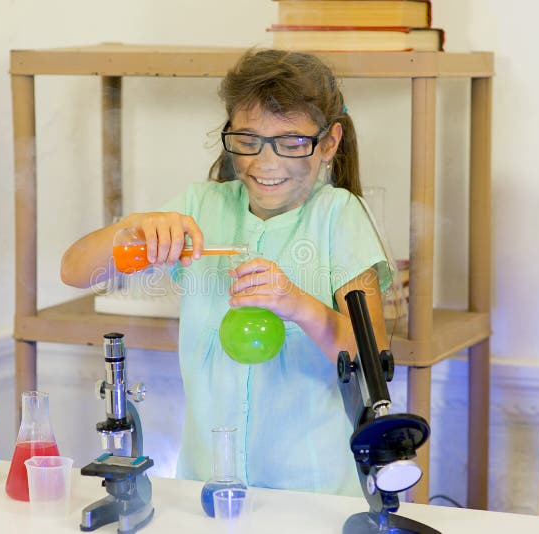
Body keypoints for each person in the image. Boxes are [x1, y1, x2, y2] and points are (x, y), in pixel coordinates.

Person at [60, 48, 392, 496]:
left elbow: (374, 355)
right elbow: (75, 270)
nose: (265, 162)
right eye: (248, 140)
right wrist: (134, 226)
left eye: (291, 142)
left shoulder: (339, 215)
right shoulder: (201, 207)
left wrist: (297, 305)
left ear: (329, 143)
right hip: (207, 482)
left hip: (313, 491)